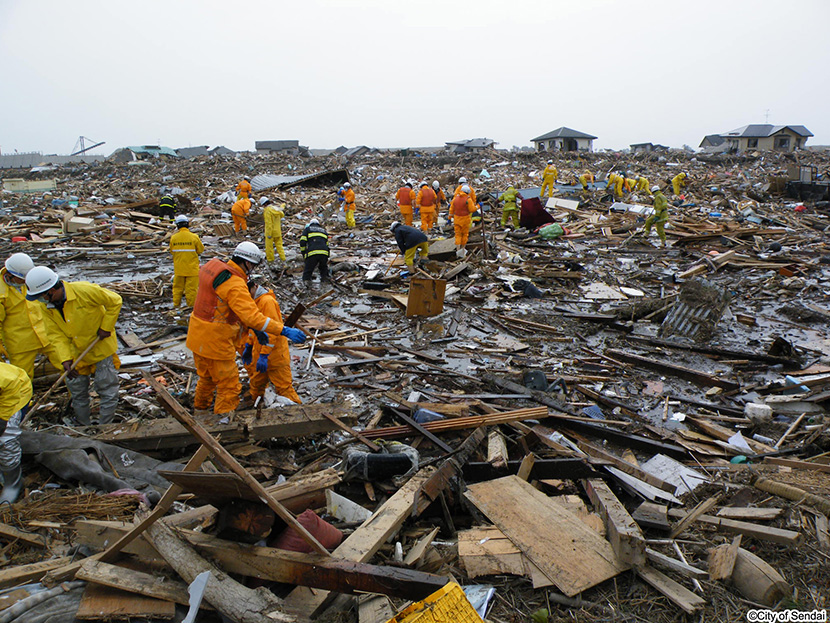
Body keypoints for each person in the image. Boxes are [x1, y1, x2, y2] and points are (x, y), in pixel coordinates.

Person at [185, 241, 305, 416]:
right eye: (253, 266)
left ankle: (200, 412)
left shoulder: (213, 267)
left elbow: (232, 310)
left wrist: (255, 333)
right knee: (229, 386)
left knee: (207, 378)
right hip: (215, 342)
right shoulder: (235, 284)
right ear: (248, 263)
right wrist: (284, 330)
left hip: (197, 336)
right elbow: (252, 317)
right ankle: (223, 425)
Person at [25, 267, 122, 425]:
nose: (40, 300)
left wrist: (106, 327)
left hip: (99, 347)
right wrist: (65, 359)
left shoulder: (84, 291)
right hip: (74, 353)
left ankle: (105, 427)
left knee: (107, 390)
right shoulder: (46, 307)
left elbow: (115, 301)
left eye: (41, 296)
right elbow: (55, 335)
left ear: (53, 289)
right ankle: (83, 427)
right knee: (77, 393)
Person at [240, 278, 301, 405]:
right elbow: (254, 326)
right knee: (256, 386)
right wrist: (249, 346)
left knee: (284, 388)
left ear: (255, 286)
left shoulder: (267, 302)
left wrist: (264, 355)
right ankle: (257, 407)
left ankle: (299, 412)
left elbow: (271, 331)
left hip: (275, 356)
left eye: (248, 291)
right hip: (260, 354)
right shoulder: (254, 302)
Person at [0, 253, 61, 379]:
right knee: (22, 378)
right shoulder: (1, 292)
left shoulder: (31, 280)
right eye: (22, 279)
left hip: (45, 334)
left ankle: (76, 396)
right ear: (10, 275)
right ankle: (26, 399)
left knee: (65, 364)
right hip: (20, 342)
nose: (24, 281)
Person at [0, 362, 32, 503]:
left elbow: (11, 385)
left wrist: (3, 417)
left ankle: (12, 484)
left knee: (5, 439)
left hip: (13, 391)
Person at [168, 215, 204, 307]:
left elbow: (172, 251)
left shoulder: (174, 238)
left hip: (179, 269)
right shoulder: (194, 237)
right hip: (192, 269)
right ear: (187, 224)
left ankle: (176, 306)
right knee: (191, 290)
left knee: (177, 289)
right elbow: (200, 250)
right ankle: (190, 308)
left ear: (177, 225)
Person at [300, 219, 330, 287]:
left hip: (312, 252)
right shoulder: (323, 231)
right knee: (323, 268)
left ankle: (306, 284)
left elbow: (302, 241)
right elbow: (327, 244)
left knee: (308, 269)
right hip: (324, 252)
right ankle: (325, 282)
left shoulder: (308, 229)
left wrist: (304, 253)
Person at [450, 185, 475, 258]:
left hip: (457, 219)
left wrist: (449, 217)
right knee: (464, 234)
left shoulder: (455, 198)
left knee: (457, 235)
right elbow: (472, 210)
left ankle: (458, 250)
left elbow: (451, 209)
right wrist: (478, 206)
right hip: (465, 219)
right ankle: (463, 250)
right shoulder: (468, 199)